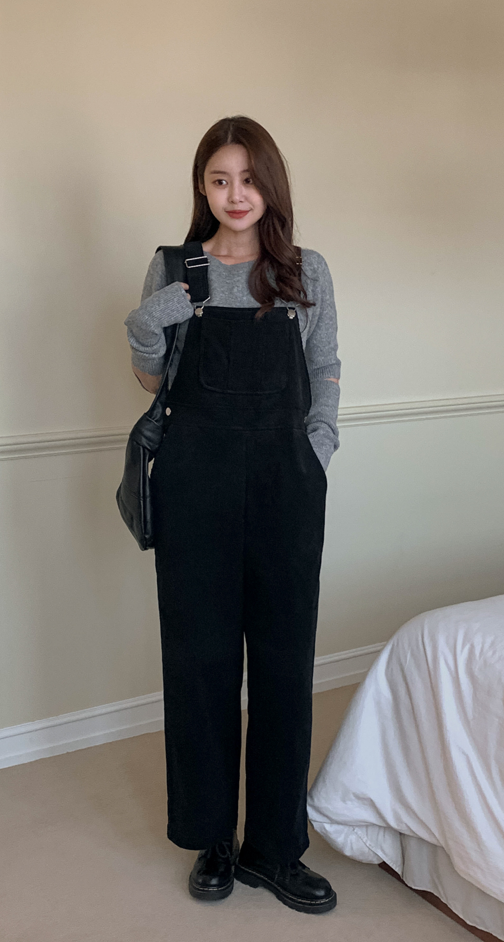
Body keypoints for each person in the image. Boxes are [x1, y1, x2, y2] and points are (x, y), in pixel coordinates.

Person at [124, 115, 341, 914]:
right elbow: (152, 380)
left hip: (288, 484)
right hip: (195, 483)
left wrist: (318, 450)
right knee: (200, 661)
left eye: (248, 179)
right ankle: (212, 837)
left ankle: (275, 849)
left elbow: (326, 369)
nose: (235, 193)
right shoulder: (173, 268)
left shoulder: (305, 271)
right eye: (220, 179)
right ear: (202, 187)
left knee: (286, 664)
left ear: (270, 186)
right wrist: (148, 324)